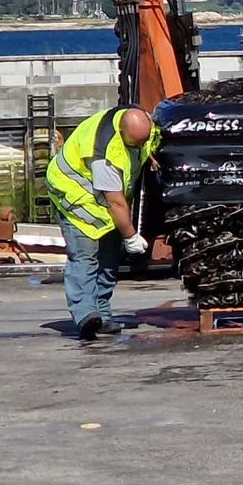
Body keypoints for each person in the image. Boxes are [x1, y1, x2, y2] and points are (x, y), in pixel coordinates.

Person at [46, 106, 161, 340]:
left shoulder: (142, 126)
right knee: (85, 256)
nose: (140, 146)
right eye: (135, 144)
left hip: (102, 198)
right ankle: (86, 315)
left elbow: (148, 142)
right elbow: (116, 202)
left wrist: (150, 154)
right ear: (122, 132)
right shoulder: (105, 153)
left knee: (108, 257)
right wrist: (130, 236)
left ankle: (103, 315)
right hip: (76, 196)